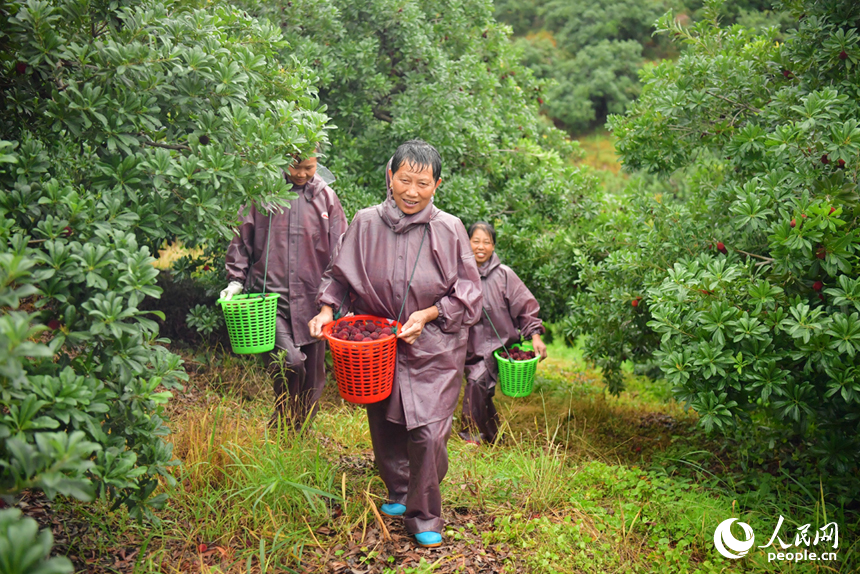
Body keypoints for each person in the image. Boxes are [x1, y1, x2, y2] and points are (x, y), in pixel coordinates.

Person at [308, 140, 482, 548]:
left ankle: (425, 513)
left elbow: (469, 292)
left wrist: (428, 314)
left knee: (428, 432)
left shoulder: (449, 229)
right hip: (380, 344)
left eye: (422, 183)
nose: (411, 190)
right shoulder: (367, 222)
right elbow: (339, 276)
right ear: (390, 177)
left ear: (437, 184)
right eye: (404, 179)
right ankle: (399, 489)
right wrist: (327, 310)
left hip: (435, 345)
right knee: (386, 421)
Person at [221, 149, 347, 431]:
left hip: (314, 302)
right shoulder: (264, 195)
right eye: (295, 167)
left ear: (318, 163)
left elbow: (341, 250)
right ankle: (283, 425)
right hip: (270, 300)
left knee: (313, 379)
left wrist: (334, 297)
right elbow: (241, 239)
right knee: (289, 362)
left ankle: (296, 437)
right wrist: (235, 280)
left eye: (309, 167)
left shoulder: (326, 198)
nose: (301, 174)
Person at [460, 221, 547, 445]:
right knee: (481, 389)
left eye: (486, 242)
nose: (481, 246)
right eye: (476, 241)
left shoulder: (505, 275)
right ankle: (494, 437)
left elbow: (526, 307)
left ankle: (472, 437)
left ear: (494, 246)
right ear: (467, 243)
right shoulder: (459, 275)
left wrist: (535, 335)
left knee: (477, 383)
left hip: (500, 348)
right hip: (469, 347)